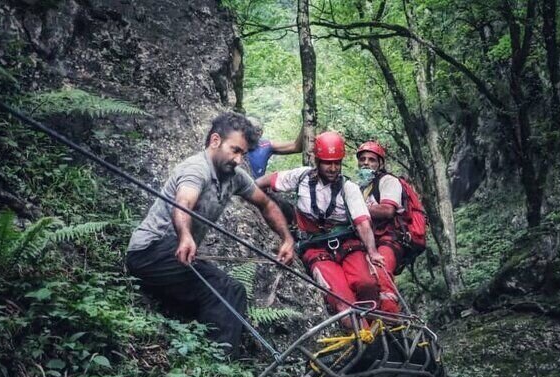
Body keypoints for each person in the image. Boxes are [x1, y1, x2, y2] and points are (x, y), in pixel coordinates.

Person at [126, 112, 295, 355]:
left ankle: (212, 350)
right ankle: (220, 363)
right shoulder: (197, 169)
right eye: (234, 150)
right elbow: (183, 203)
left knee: (225, 293)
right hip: (150, 251)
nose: (238, 159)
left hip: (178, 258)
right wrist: (185, 236)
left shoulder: (234, 177)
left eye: (243, 154)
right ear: (215, 141)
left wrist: (287, 239)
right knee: (227, 289)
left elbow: (266, 204)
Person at [255, 131, 385, 325]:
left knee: (366, 284)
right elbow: (267, 181)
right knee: (341, 298)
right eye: (327, 163)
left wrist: (373, 252)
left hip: (348, 245)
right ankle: (363, 338)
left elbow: (362, 222)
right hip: (315, 248)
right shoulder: (300, 177)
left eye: (336, 163)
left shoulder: (348, 188)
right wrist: (247, 190)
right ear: (317, 160)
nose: (333, 168)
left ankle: (377, 330)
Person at [356, 141, 404, 314]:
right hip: (367, 242)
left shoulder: (388, 181)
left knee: (381, 277)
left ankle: (393, 326)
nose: (366, 163)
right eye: (362, 159)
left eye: (371, 160)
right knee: (363, 282)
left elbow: (387, 210)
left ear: (380, 163)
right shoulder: (360, 188)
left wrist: (356, 209)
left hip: (388, 239)